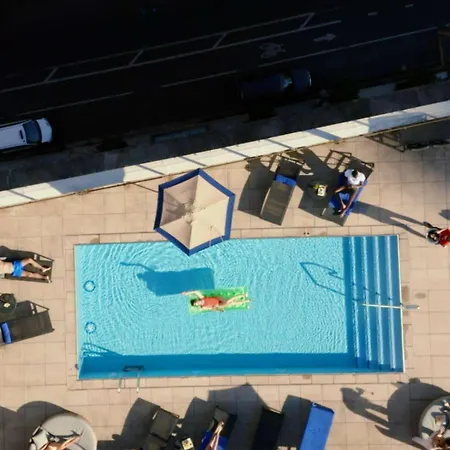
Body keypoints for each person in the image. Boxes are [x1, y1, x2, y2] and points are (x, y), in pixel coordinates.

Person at [183, 291, 251, 312]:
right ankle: (246, 301)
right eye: (196, 305)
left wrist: (187, 293)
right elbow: (212, 308)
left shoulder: (202, 298)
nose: (197, 304)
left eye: (196, 302)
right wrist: (219, 310)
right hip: (217, 305)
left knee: (227, 301)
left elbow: (196, 291)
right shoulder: (203, 307)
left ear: (196, 300)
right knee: (231, 303)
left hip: (217, 298)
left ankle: (243, 295)